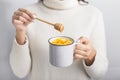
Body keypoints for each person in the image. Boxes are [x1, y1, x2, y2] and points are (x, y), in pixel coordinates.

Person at [10, 0, 108, 80]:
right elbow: (20, 72)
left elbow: (99, 74)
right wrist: (20, 32)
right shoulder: (27, 15)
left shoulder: (93, 14)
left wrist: (90, 55)